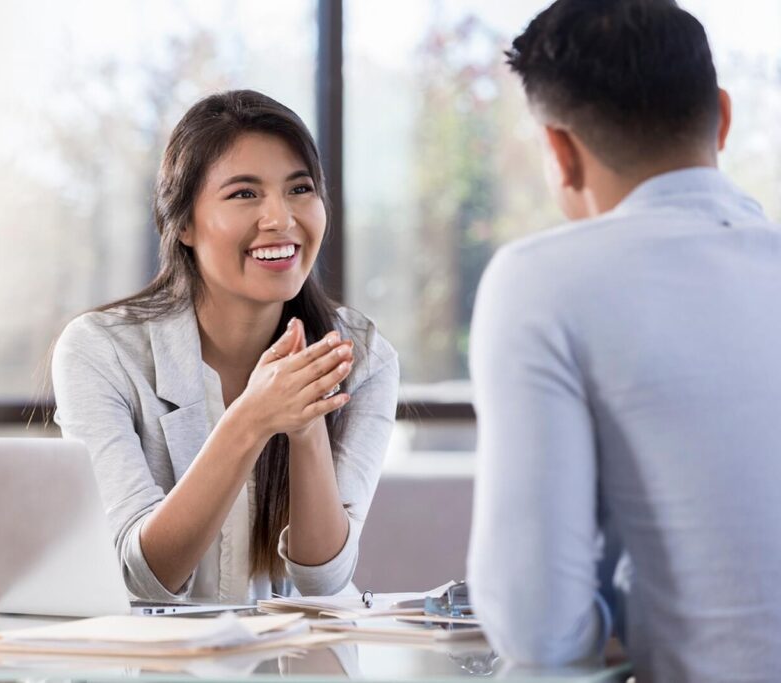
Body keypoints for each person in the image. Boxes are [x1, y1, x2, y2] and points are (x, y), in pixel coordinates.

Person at [466, 1, 781, 680]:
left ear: (559, 151)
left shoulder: (542, 281)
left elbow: (538, 628)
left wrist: (608, 622)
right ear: (722, 117)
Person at [52, 90, 398, 604]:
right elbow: (143, 578)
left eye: (300, 189)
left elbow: (323, 581)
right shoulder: (100, 351)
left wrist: (305, 431)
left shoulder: (362, 355)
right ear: (184, 224)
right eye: (244, 194)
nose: (280, 218)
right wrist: (251, 419)